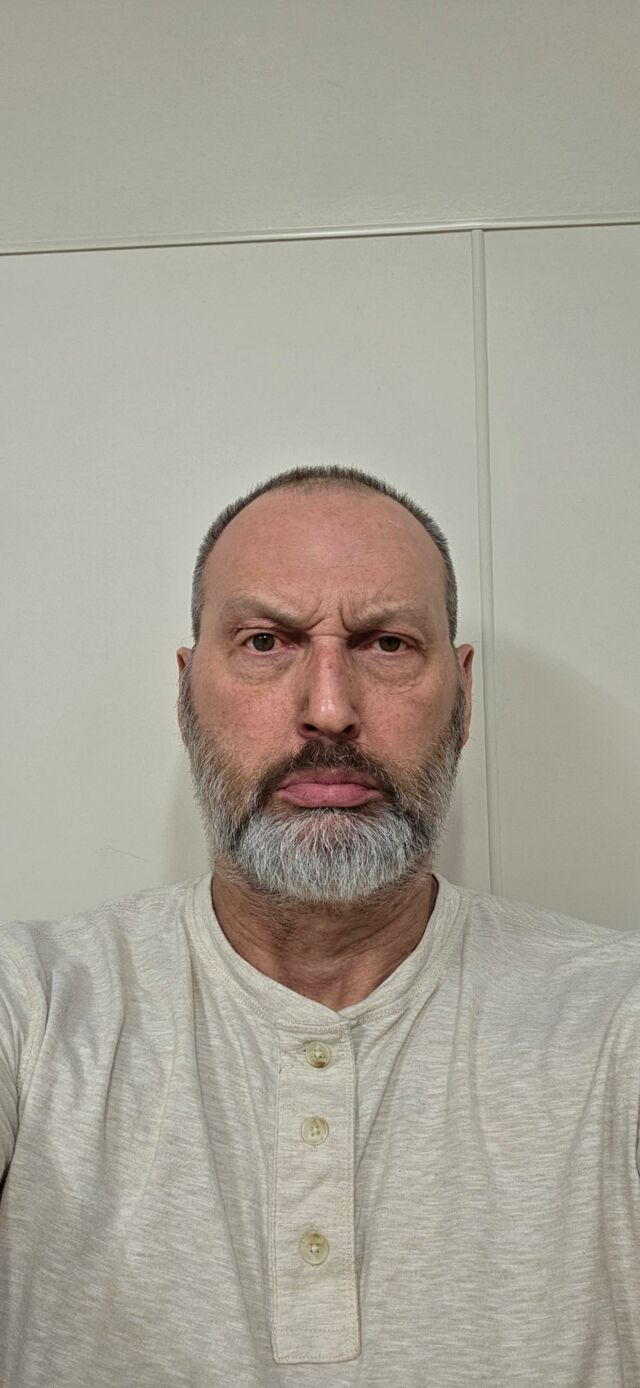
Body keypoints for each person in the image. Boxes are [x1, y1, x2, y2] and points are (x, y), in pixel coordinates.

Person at [1, 464, 639, 1387]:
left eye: (387, 644)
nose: (330, 710)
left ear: (462, 699)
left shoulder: (618, 1018)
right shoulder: (32, 1005)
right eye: (266, 642)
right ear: (186, 696)